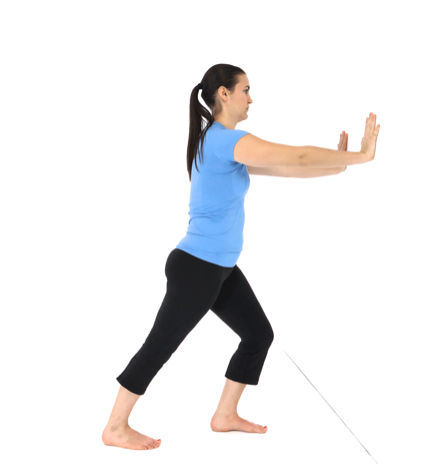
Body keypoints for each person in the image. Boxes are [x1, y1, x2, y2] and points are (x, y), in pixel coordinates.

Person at [102, 64, 380, 451]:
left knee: (257, 335)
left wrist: (339, 163)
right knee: (160, 345)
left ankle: (225, 415)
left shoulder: (220, 143)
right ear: (224, 94)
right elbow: (296, 156)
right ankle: (115, 426)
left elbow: (290, 168)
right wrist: (362, 156)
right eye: (246, 89)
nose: (252, 98)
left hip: (219, 268)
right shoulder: (222, 140)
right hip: (198, 268)